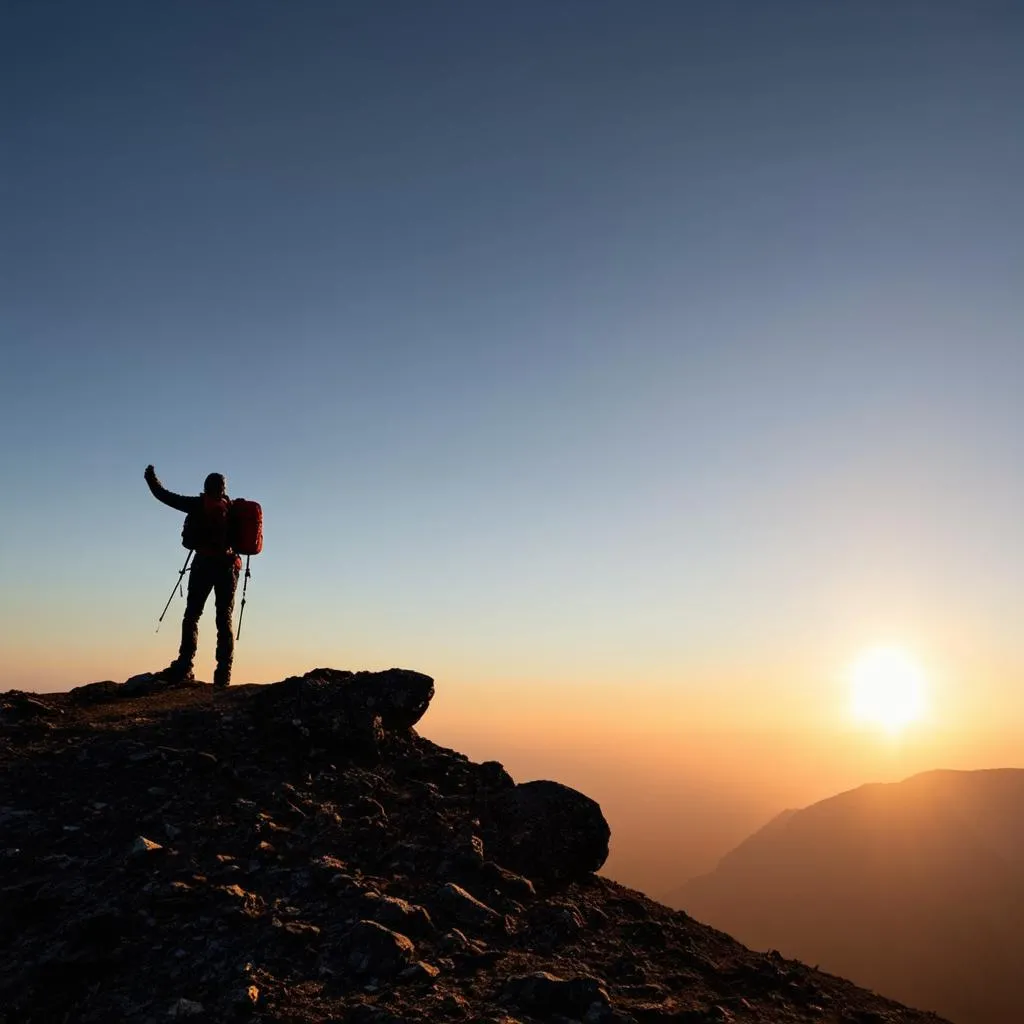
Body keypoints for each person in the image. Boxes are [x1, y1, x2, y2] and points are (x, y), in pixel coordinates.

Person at [144, 465, 241, 688]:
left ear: (206, 487)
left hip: (204, 565)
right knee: (224, 619)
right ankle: (223, 675)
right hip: (229, 567)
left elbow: (165, 497)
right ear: (224, 488)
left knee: (192, 615)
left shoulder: (198, 504)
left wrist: (151, 479)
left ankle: (185, 664)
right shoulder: (232, 507)